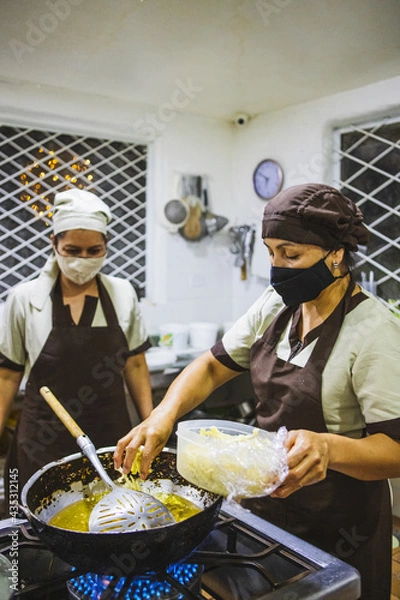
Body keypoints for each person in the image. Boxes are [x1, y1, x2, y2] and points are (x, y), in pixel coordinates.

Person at [114, 183, 400, 600]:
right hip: (267, 507)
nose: (277, 267)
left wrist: (329, 448)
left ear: (336, 253)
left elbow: (395, 450)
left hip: (339, 525)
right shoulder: (275, 306)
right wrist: (163, 414)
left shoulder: (375, 332)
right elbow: (212, 366)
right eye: (270, 252)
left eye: (291, 254)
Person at [0, 187, 153, 502]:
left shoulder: (123, 294)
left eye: (93, 251)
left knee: (112, 522)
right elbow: (7, 375)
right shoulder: (24, 299)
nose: (83, 260)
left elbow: (135, 363)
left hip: (112, 437)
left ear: (106, 247)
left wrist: (152, 426)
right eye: (72, 250)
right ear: (54, 243)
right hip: (42, 443)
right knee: (34, 536)